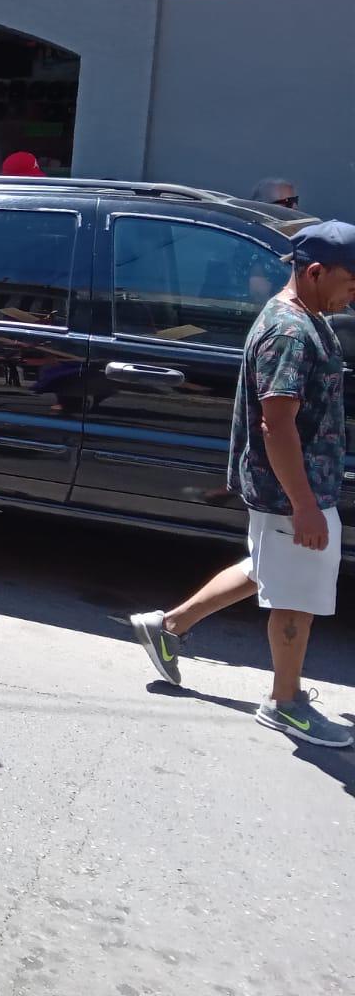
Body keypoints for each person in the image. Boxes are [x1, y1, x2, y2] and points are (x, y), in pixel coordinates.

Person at [130, 221, 355, 749]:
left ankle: (168, 627)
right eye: (351, 281)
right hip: (292, 492)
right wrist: (304, 505)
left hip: (296, 487)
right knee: (295, 597)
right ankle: (285, 703)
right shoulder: (290, 332)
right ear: (315, 272)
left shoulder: (310, 316)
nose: (354, 292)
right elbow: (276, 426)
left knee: (267, 568)